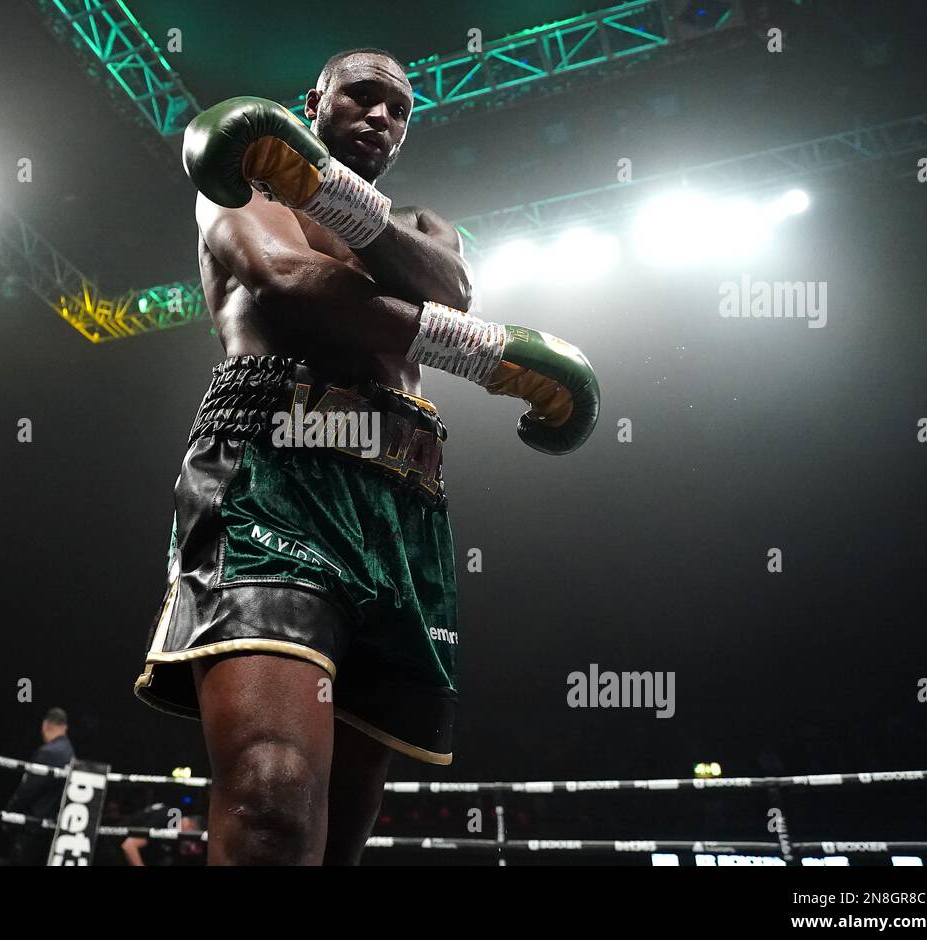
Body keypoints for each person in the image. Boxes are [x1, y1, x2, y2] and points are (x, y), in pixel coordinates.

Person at [133, 48, 599, 865]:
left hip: (400, 507)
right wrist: (491, 358)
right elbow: (283, 275)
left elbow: (449, 288)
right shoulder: (243, 179)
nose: (381, 117)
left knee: (341, 835)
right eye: (362, 96)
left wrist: (329, 191)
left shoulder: (426, 229)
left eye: (400, 109)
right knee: (272, 804)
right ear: (313, 100)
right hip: (273, 472)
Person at [4, 707, 75, 865]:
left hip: (33, 827)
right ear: (65, 727)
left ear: (45, 725)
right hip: (52, 829)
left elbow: (28, 789)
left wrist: (9, 813)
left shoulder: (48, 752)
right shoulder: (70, 753)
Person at [120, 804, 205, 866]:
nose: (193, 848)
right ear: (189, 826)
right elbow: (129, 846)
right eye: (196, 842)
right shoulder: (168, 818)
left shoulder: (175, 833)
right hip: (113, 852)